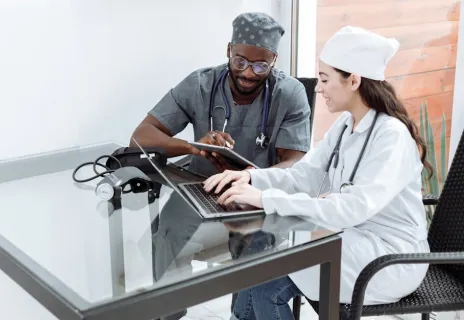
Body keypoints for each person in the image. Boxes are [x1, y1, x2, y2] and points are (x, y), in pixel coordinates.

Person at [203, 26, 433, 320]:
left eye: (324, 79)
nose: (318, 88)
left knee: (265, 281)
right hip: (352, 240)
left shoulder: (391, 136)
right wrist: (251, 178)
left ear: (353, 81)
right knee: (257, 267)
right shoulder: (345, 126)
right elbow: (304, 176)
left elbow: (351, 209)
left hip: (389, 259)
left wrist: (265, 199)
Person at [130, 12, 311, 177]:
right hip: (201, 183)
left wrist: (250, 178)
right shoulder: (200, 85)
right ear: (228, 51)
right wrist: (195, 147)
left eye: (261, 66)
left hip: (258, 195)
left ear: (274, 60)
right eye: (240, 61)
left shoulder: (289, 94)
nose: (248, 73)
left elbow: (295, 164)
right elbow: (140, 138)